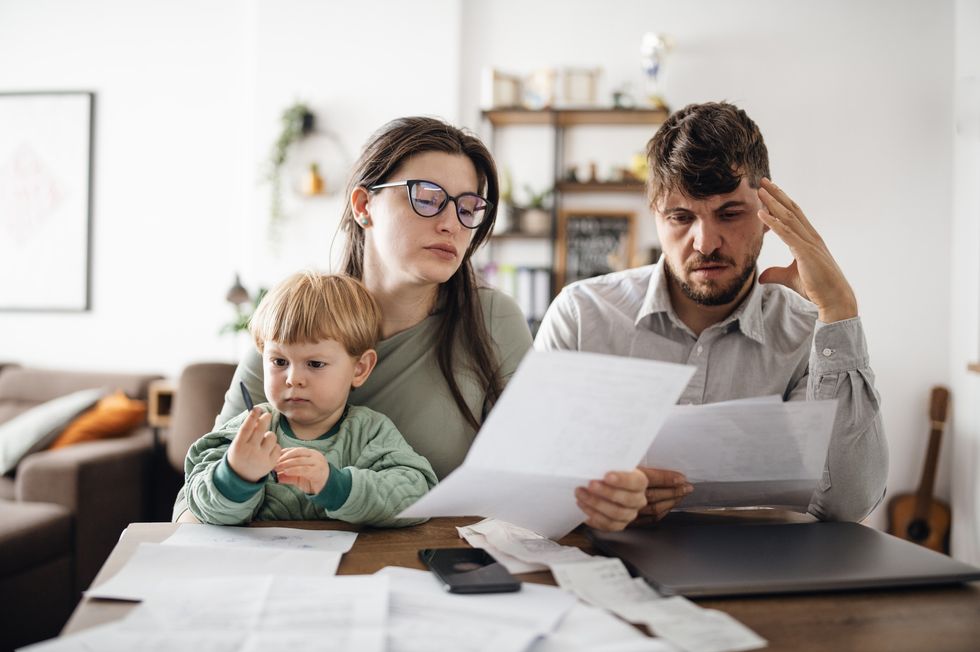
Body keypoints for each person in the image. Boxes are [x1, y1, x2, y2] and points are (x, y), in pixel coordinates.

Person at [174, 116, 647, 531]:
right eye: (427, 197)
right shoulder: (295, 323)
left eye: (468, 208)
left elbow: (541, 479)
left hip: (433, 567)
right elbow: (195, 500)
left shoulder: (493, 320)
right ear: (363, 206)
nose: (451, 224)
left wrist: (604, 495)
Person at [535, 101, 887, 523]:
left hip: (762, 573)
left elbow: (847, 505)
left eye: (730, 213)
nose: (705, 243)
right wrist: (596, 500)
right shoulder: (581, 316)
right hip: (604, 566)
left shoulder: (811, 334)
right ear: (656, 218)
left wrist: (839, 310)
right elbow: (531, 479)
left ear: (769, 214)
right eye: (681, 217)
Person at [184, 272, 437, 527]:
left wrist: (335, 485)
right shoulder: (247, 431)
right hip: (259, 564)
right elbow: (198, 503)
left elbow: (417, 496)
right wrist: (236, 475)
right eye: (279, 362)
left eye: (315, 363)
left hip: (347, 565)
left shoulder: (369, 432)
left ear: (359, 369)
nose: (293, 379)